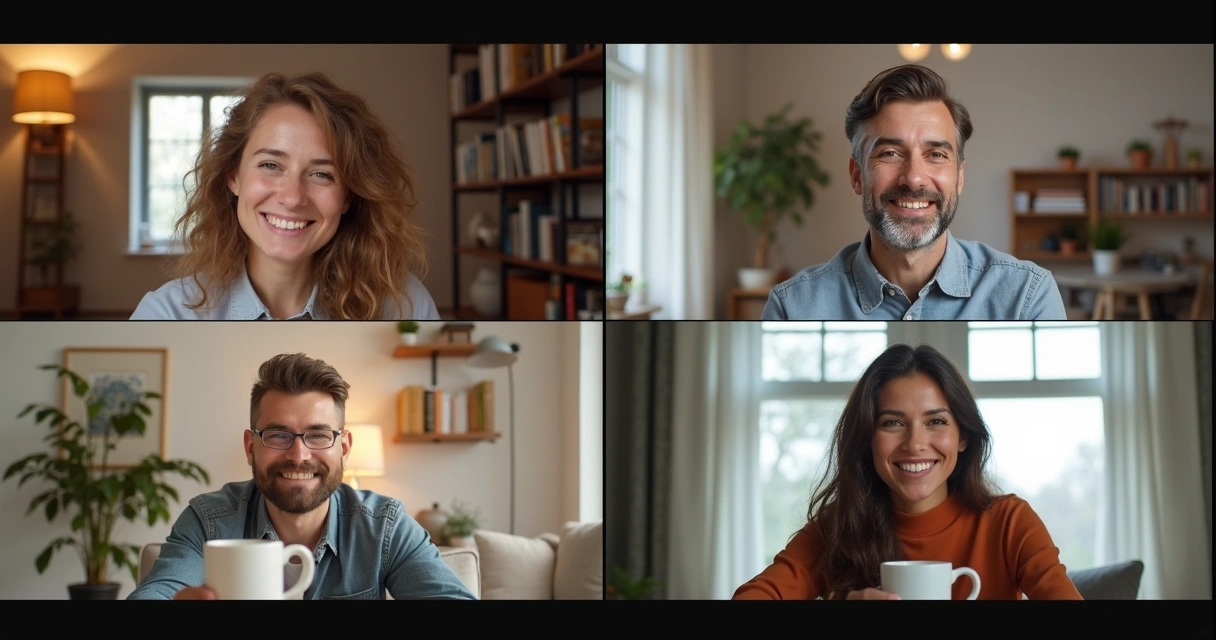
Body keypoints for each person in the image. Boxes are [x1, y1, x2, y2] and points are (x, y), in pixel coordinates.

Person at [733, 343, 1082, 600]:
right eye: (893, 422)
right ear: (867, 439)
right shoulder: (836, 529)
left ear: (963, 437)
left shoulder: (1010, 522)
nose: (915, 443)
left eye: (936, 422)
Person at [128, 353, 474, 600]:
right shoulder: (209, 521)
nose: (298, 455)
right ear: (251, 446)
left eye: (319, 435)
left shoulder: (385, 526)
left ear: (345, 447)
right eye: (278, 435)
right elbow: (157, 593)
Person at [762, 65, 1066, 321]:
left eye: (936, 154)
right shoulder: (793, 308)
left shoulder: (1027, 296)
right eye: (891, 153)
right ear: (857, 175)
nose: (914, 178)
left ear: (959, 176)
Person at [130, 71, 439, 320]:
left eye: (322, 174)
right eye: (270, 165)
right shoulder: (166, 313)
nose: (292, 198)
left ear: (349, 196)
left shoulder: (403, 306)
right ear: (233, 176)